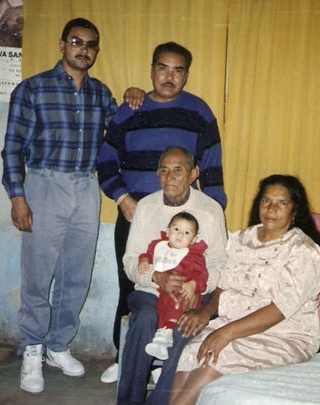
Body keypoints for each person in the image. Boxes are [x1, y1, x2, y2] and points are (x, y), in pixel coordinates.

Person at [0, 17, 143, 395]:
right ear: (62, 45)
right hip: (44, 183)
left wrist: (131, 97)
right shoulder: (33, 89)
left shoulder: (100, 94)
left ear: (96, 51)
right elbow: (13, 145)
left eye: (90, 44)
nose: (84, 49)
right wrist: (18, 195)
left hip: (85, 187)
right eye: (76, 42)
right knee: (38, 273)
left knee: (76, 275)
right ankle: (32, 348)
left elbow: (122, 132)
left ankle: (57, 345)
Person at [96, 41, 227, 384]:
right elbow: (105, 159)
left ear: (186, 74)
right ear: (152, 70)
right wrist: (123, 199)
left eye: (177, 70)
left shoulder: (199, 111)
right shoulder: (129, 108)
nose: (169, 76)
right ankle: (125, 356)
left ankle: (165, 361)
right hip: (136, 215)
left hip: (183, 220)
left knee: (184, 288)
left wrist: (211, 218)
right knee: (134, 288)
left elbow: (211, 166)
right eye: (162, 68)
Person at [168, 174, 320, 405]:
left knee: (217, 354)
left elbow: (279, 310)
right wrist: (206, 313)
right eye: (266, 201)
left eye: (281, 203)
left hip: (284, 334)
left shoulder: (304, 250)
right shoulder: (241, 239)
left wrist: (225, 333)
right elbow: (222, 286)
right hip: (231, 323)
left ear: (295, 211)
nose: (272, 208)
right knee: (191, 353)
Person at [118, 146, 228, 404]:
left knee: (185, 329)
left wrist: (196, 286)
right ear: (157, 175)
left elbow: (220, 263)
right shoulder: (146, 207)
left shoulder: (210, 209)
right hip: (149, 292)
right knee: (144, 319)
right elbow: (131, 260)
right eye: (164, 171)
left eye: (178, 170)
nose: (170, 177)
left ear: (193, 174)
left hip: (192, 294)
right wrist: (156, 277)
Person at [140, 211, 208, 361]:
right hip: (162, 291)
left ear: (193, 239)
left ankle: (167, 333)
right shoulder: (158, 246)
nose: (180, 235)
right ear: (167, 230)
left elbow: (202, 274)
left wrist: (193, 284)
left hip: (183, 291)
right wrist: (144, 260)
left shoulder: (194, 256)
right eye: (176, 229)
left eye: (187, 233)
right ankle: (161, 348)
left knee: (175, 302)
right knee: (159, 309)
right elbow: (149, 255)